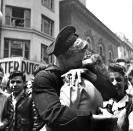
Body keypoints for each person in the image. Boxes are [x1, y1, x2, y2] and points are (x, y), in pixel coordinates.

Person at [33, 25, 117, 131]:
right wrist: (94, 120)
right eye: (77, 62)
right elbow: (54, 115)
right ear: (61, 58)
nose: (80, 64)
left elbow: (111, 92)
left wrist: (90, 74)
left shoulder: (84, 69)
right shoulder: (44, 78)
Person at [104, 63, 133, 131]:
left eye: (118, 80)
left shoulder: (130, 105)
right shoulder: (108, 105)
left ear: (125, 82)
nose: (115, 83)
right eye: (111, 80)